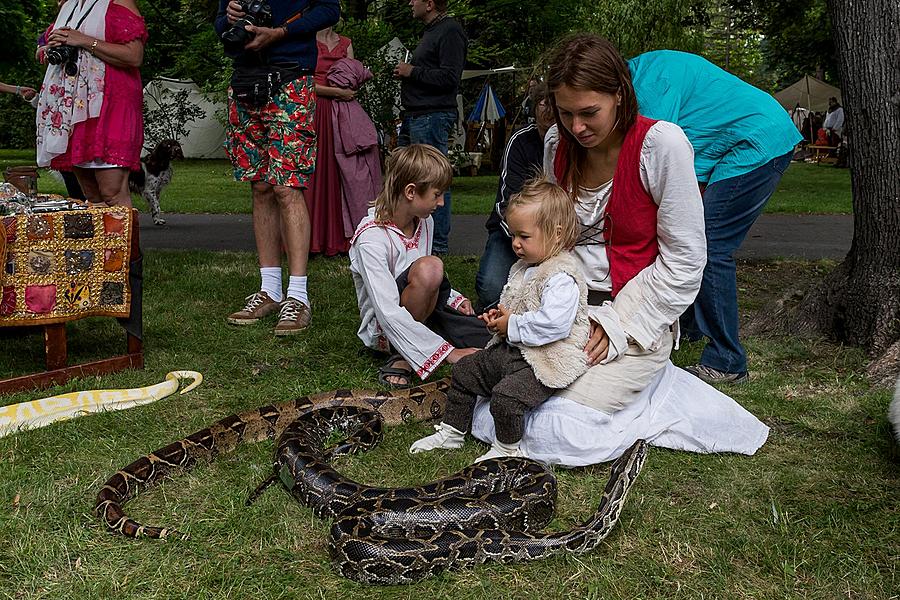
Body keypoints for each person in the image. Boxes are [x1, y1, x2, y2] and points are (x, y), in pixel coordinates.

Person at [542, 35, 706, 417]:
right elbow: (549, 239)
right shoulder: (556, 144)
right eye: (566, 114)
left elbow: (685, 260)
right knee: (502, 393)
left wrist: (617, 323)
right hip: (564, 309)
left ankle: (650, 378)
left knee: (565, 415)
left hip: (631, 312)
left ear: (619, 93)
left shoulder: (662, 145)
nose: (577, 127)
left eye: (588, 112)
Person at [628, 50, 802, 384]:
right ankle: (691, 331)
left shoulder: (647, 86)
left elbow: (652, 155)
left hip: (756, 142)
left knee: (706, 245)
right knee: (685, 235)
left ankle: (727, 361)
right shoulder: (647, 71)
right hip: (739, 144)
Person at [409, 178, 589, 461]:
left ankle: (507, 448)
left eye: (524, 237)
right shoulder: (523, 268)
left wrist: (513, 325)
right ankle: (454, 431)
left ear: (556, 234)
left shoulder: (562, 276)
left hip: (546, 360)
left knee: (507, 395)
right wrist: (500, 316)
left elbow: (554, 324)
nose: (515, 244)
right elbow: (518, 307)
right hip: (515, 351)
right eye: (514, 235)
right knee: (465, 370)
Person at [215, 0, 340, 336]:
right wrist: (227, 19)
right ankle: (270, 290)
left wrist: (281, 32)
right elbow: (218, 25)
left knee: (286, 186)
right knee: (260, 186)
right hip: (245, 81)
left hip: (291, 80)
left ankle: (298, 297)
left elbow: (329, 9)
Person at [349, 144, 489, 388]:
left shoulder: (425, 221)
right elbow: (387, 309)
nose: (442, 203)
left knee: (488, 338)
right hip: (384, 327)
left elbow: (417, 271)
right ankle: (402, 355)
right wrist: (448, 354)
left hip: (424, 311)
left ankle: (429, 338)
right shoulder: (371, 238)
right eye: (437, 194)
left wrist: (454, 299)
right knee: (432, 267)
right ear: (411, 192)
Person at [34, 0, 147, 207]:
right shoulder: (69, 6)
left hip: (111, 104)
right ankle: (103, 241)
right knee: (92, 196)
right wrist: (47, 47)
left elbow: (134, 56)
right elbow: (45, 42)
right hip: (73, 110)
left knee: (112, 192)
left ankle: (123, 240)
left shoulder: (118, 3)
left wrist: (84, 41)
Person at [393, 0, 467, 255]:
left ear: (430, 4)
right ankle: (405, 238)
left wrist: (412, 71)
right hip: (415, 115)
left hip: (432, 117)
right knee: (405, 176)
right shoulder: (430, 32)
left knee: (433, 180)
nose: (410, 3)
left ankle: (436, 247)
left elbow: (450, 78)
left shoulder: (450, 30)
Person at [475, 82, 554, 311]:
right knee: (491, 287)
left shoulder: (574, 145)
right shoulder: (521, 141)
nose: (548, 110)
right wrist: (527, 240)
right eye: (543, 103)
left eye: (554, 104)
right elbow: (506, 202)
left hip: (555, 236)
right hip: (512, 232)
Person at [305, 26, 355, 256]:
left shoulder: (346, 43)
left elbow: (353, 77)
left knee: (338, 174)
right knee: (312, 173)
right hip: (313, 112)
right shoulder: (306, 41)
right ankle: (309, 240)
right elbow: (302, 83)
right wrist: (335, 92)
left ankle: (336, 239)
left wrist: (348, 88)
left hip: (340, 115)